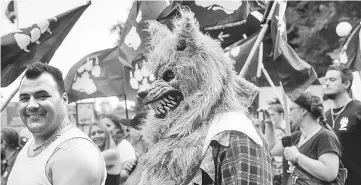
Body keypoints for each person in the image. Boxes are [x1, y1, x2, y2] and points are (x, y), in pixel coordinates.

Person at [7, 62, 106, 185]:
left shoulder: (74, 153)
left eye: (42, 96)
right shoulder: (31, 144)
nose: (31, 105)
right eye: (24, 98)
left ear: (64, 100)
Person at [266, 91, 342, 184]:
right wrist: (269, 124)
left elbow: (330, 173)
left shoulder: (325, 136)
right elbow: (271, 150)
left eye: (291, 109)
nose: (289, 114)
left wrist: (297, 157)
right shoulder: (294, 136)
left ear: (303, 111)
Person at [323, 64, 361, 185]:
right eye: (326, 80)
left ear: (346, 84)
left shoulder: (358, 111)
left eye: (332, 80)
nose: (327, 83)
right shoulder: (324, 117)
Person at [266, 104, 286, 185]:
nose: (270, 117)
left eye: (273, 114)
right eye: (269, 115)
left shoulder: (288, 129)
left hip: (283, 171)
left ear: (281, 114)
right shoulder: (270, 129)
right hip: (273, 171)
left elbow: (271, 150)